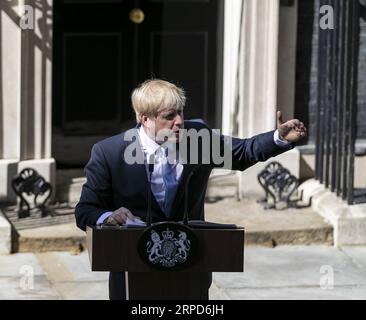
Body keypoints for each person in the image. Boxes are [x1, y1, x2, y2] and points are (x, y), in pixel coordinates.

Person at [75, 79, 307, 300]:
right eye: (169, 116)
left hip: (190, 268)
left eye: (181, 112)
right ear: (145, 119)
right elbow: (86, 209)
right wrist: (108, 217)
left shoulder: (198, 138)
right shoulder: (110, 153)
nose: (179, 121)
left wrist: (279, 138)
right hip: (133, 273)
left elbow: (242, 152)